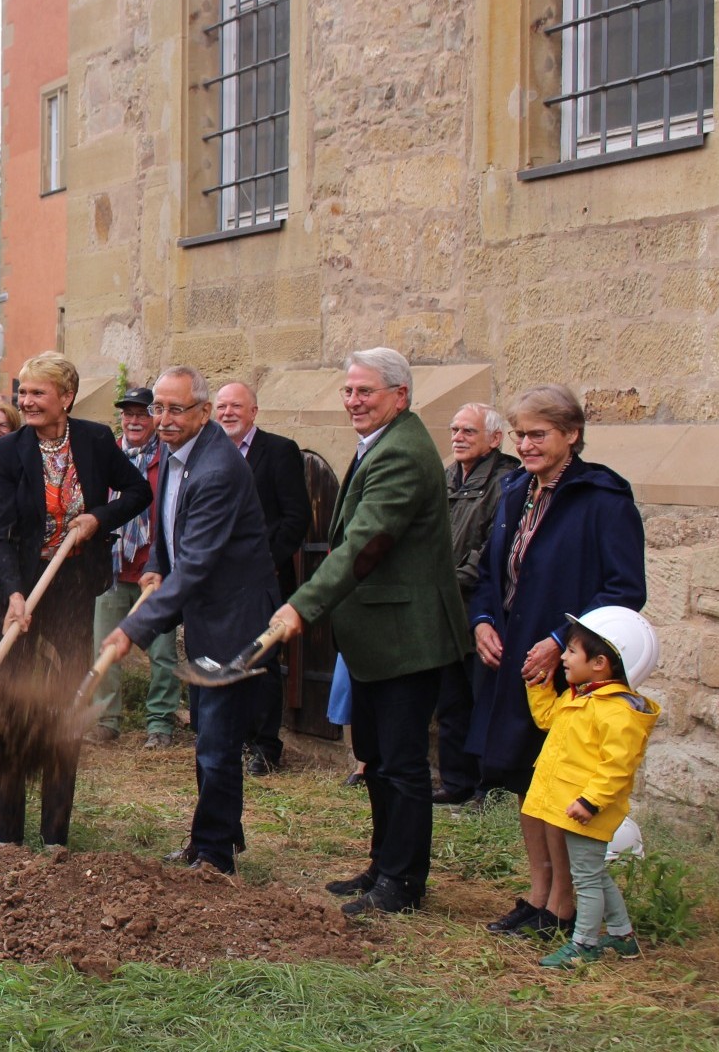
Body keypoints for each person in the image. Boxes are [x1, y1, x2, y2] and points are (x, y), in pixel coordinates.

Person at [271, 348, 472, 917]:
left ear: (400, 396)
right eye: (349, 391)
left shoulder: (403, 453)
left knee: (403, 764)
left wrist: (302, 606)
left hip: (407, 637)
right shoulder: (382, 442)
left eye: (366, 392)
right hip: (378, 638)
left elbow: (365, 543)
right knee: (376, 758)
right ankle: (384, 864)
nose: (353, 401)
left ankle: (403, 884)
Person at [468, 384, 645, 938]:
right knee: (529, 781)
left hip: (570, 671)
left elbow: (623, 589)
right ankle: (538, 893)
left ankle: (564, 906)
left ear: (571, 435)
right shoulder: (515, 490)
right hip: (516, 667)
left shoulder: (603, 498)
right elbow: (491, 576)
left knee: (562, 785)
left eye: (538, 434)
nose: (526, 445)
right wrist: (482, 623)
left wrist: (558, 638)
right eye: (520, 434)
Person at [102, 366, 278, 875]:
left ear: (203, 411)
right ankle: (219, 834)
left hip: (235, 616)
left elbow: (198, 562)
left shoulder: (218, 468)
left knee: (218, 741)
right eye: (158, 407)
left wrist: (133, 629)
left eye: (176, 409)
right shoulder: (177, 457)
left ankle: (214, 855)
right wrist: (156, 564)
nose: (163, 418)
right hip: (207, 610)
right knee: (206, 729)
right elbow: (169, 527)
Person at [0, 352, 151, 847]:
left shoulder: (96, 440)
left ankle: (55, 836)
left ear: (66, 398)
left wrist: (99, 518)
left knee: (62, 707)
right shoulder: (9, 451)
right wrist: (14, 594)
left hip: (76, 587)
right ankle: (5, 839)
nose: (27, 401)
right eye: (23, 392)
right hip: (21, 588)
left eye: (38, 393)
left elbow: (138, 491)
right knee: (11, 709)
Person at [522, 608, 660, 968]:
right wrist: (537, 688)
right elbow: (547, 719)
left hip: (585, 810)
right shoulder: (581, 697)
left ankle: (584, 942)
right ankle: (621, 934)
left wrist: (590, 801)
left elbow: (617, 767)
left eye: (570, 651)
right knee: (594, 873)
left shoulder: (618, 713)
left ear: (599, 663)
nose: (563, 657)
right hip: (572, 806)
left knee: (585, 879)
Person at [214, 381, 311, 776]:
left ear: (253, 411)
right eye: (221, 406)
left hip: (265, 579)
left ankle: (266, 746)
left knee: (264, 661)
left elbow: (295, 518)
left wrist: (265, 561)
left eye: (236, 406)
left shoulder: (280, 451)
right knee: (226, 659)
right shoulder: (211, 452)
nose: (227, 413)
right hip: (219, 579)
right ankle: (234, 737)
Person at [90, 387, 187, 749]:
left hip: (154, 571)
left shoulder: (168, 457)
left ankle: (160, 723)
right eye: (127, 414)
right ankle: (106, 720)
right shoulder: (109, 455)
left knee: (162, 653)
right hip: (113, 568)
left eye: (142, 414)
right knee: (105, 648)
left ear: (155, 419)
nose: (133, 421)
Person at [437, 402, 518, 804]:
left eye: (468, 432)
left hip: (481, 604)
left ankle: (489, 786)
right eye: (455, 430)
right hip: (444, 606)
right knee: (450, 698)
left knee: (484, 694)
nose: (458, 438)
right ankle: (455, 781)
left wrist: (449, 583)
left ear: (494, 439)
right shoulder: (446, 476)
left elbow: (492, 547)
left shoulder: (506, 480)